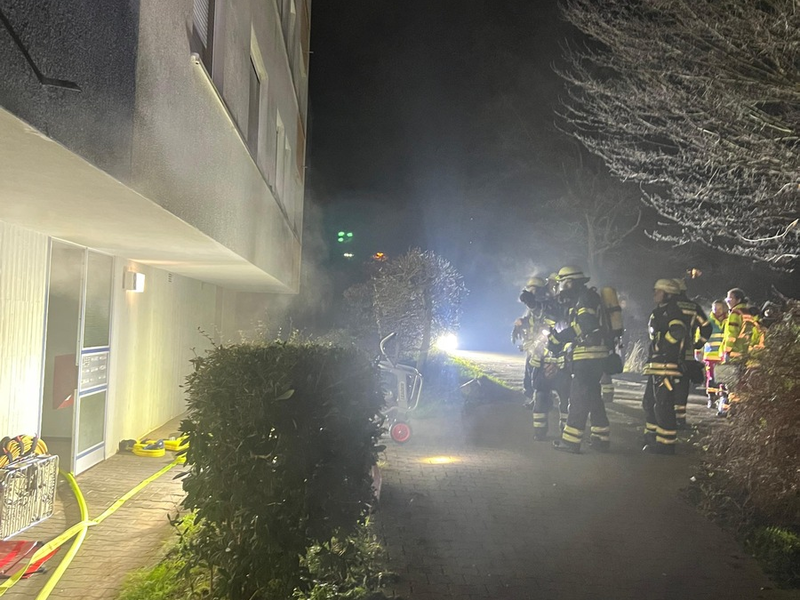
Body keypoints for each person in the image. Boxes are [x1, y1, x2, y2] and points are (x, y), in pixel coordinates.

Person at [550, 266, 611, 454]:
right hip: (595, 355)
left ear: (570, 282)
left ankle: (571, 441)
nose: (561, 287)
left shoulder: (584, 299)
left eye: (563, 283)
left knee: (578, 397)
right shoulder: (587, 298)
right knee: (593, 397)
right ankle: (601, 437)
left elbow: (585, 326)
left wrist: (559, 338)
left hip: (588, 356)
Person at [642, 279, 688, 455]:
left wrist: (662, 346)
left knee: (663, 404)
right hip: (657, 364)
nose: (654, 294)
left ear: (667, 294)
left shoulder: (673, 311)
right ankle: (654, 437)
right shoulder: (660, 312)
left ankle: (666, 444)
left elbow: (677, 331)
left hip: (666, 365)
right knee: (650, 402)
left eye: (658, 291)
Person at [671, 278, 712, 428]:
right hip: (687, 353)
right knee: (682, 385)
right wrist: (698, 344)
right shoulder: (693, 307)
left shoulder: (667, 306)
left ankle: (665, 416)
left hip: (666, 352)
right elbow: (707, 327)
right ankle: (680, 419)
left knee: (665, 383)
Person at [512, 277, 551, 409]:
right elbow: (531, 319)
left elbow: (541, 314)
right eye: (530, 290)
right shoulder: (532, 305)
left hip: (543, 347)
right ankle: (534, 398)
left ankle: (541, 400)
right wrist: (520, 323)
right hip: (532, 345)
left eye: (534, 290)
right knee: (529, 374)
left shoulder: (545, 303)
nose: (531, 292)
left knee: (540, 375)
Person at [702, 300, 728, 409]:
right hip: (711, 355)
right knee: (711, 378)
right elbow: (699, 337)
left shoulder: (729, 320)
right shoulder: (708, 322)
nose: (717, 311)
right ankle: (711, 398)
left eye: (719, 308)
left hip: (724, 355)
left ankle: (722, 398)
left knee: (724, 378)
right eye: (715, 308)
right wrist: (698, 351)